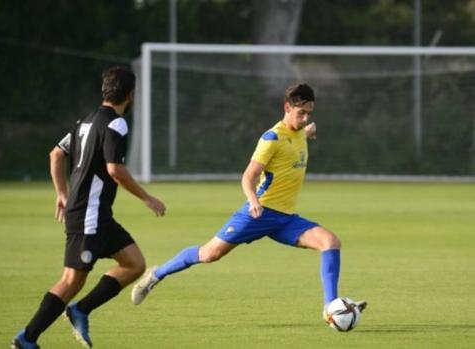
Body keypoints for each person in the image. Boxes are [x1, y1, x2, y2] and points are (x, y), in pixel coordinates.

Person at [131, 82, 366, 322]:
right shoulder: (271, 138)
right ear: (287, 107)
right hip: (259, 213)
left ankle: (330, 308)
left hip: (285, 219)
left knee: (330, 242)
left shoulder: (299, 133)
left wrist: (307, 132)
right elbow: (248, 176)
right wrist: (253, 201)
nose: (305, 118)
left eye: (309, 114)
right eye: (301, 113)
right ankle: (156, 275)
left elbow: (296, 139)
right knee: (209, 254)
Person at [12, 66, 166, 349]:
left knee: (134, 264)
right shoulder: (116, 124)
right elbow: (115, 170)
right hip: (89, 215)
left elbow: (56, 154)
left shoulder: (85, 121)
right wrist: (146, 197)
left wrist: (62, 193)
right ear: (131, 95)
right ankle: (27, 338)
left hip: (95, 214)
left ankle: (79, 310)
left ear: (105, 90)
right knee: (71, 281)